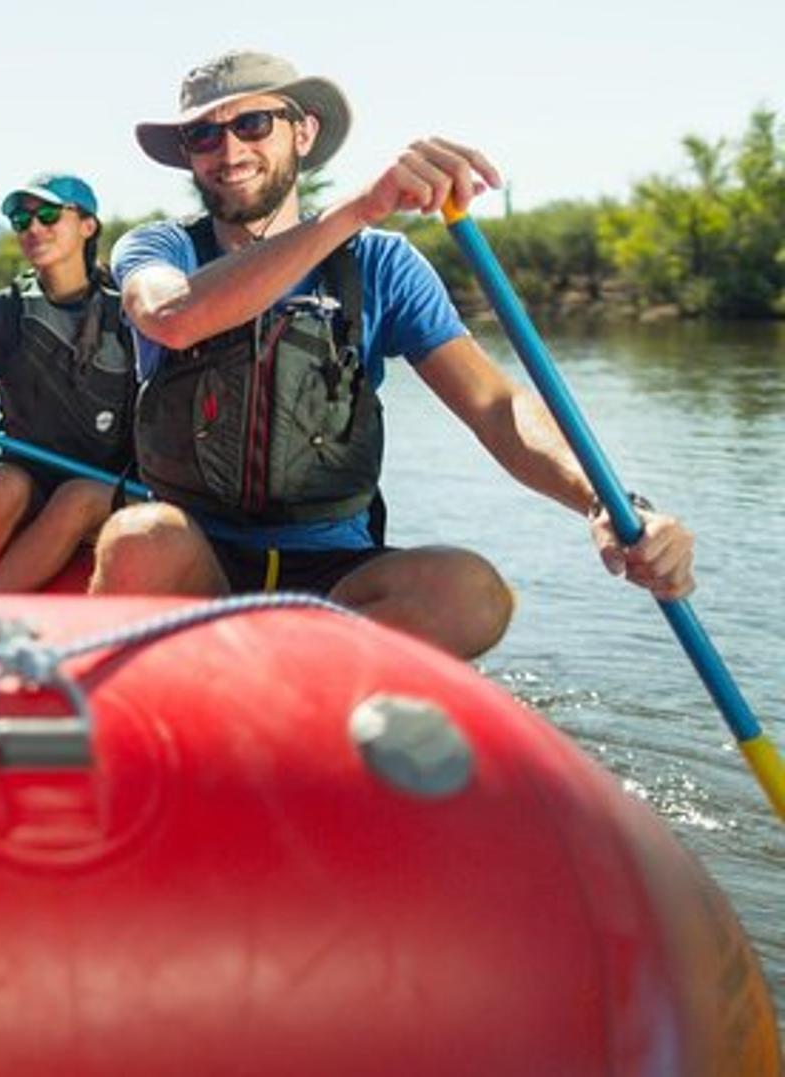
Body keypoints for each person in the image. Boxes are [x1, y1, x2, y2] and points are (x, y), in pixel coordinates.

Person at [90, 50, 696, 659]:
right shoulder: (159, 247)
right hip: (197, 558)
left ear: (303, 132)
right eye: (203, 135)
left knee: (472, 594)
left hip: (334, 574)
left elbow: (495, 407)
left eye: (252, 124)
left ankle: (298, 680)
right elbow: (171, 318)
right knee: (142, 536)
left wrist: (607, 501)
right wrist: (357, 208)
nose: (228, 151)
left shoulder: (381, 264)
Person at [0, 173, 137, 591]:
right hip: (27, 478)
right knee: (2, 484)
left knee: (76, 497)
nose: (34, 229)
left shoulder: (134, 310)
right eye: (22, 222)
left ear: (88, 225)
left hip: (110, 486)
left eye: (48, 215)